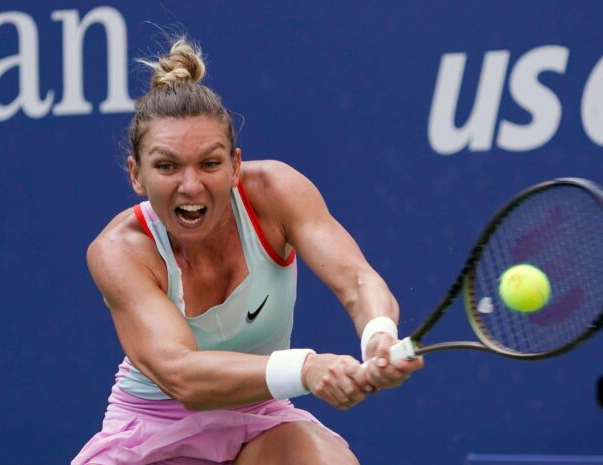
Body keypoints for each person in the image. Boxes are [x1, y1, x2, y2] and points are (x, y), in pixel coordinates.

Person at [72, 38, 422, 465]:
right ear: (136, 175)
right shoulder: (119, 251)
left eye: (210, 163)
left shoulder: (276, 193)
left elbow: (358, 279)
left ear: (235, 165)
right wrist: (306, 368)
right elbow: (183, 375)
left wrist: (378, 334)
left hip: (260, 417)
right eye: (166, 166)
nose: (190, 185)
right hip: (153, 429)